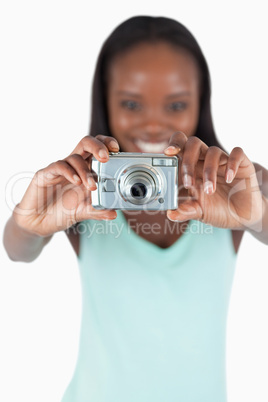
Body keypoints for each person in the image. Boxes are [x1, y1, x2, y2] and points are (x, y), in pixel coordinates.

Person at [3, 15, 268, 402]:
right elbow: (17, 251)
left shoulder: (233, 186)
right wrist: (28, 225)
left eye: (176, 104)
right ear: (105, 103)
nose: (154, 125)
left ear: (200, 104)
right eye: (131, 103)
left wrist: (258, 215)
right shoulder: (84, 194)